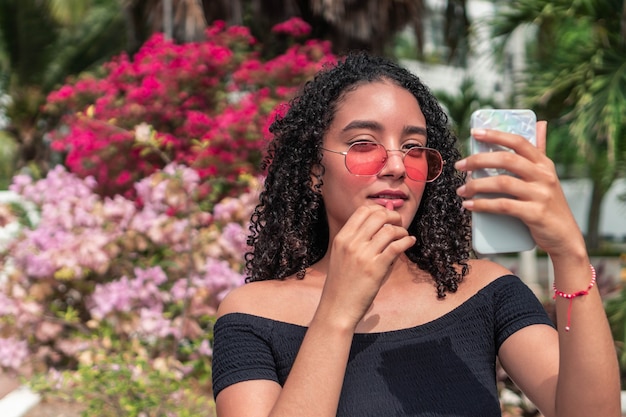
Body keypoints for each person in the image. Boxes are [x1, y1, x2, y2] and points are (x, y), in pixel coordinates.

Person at [211, 52, 620, 417]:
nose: (397, 166)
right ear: (315, 171)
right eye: (364, 143)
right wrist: (336, 312)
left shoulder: (485, 291)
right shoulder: (252, 316)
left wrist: (569, 254)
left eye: (413, 147)